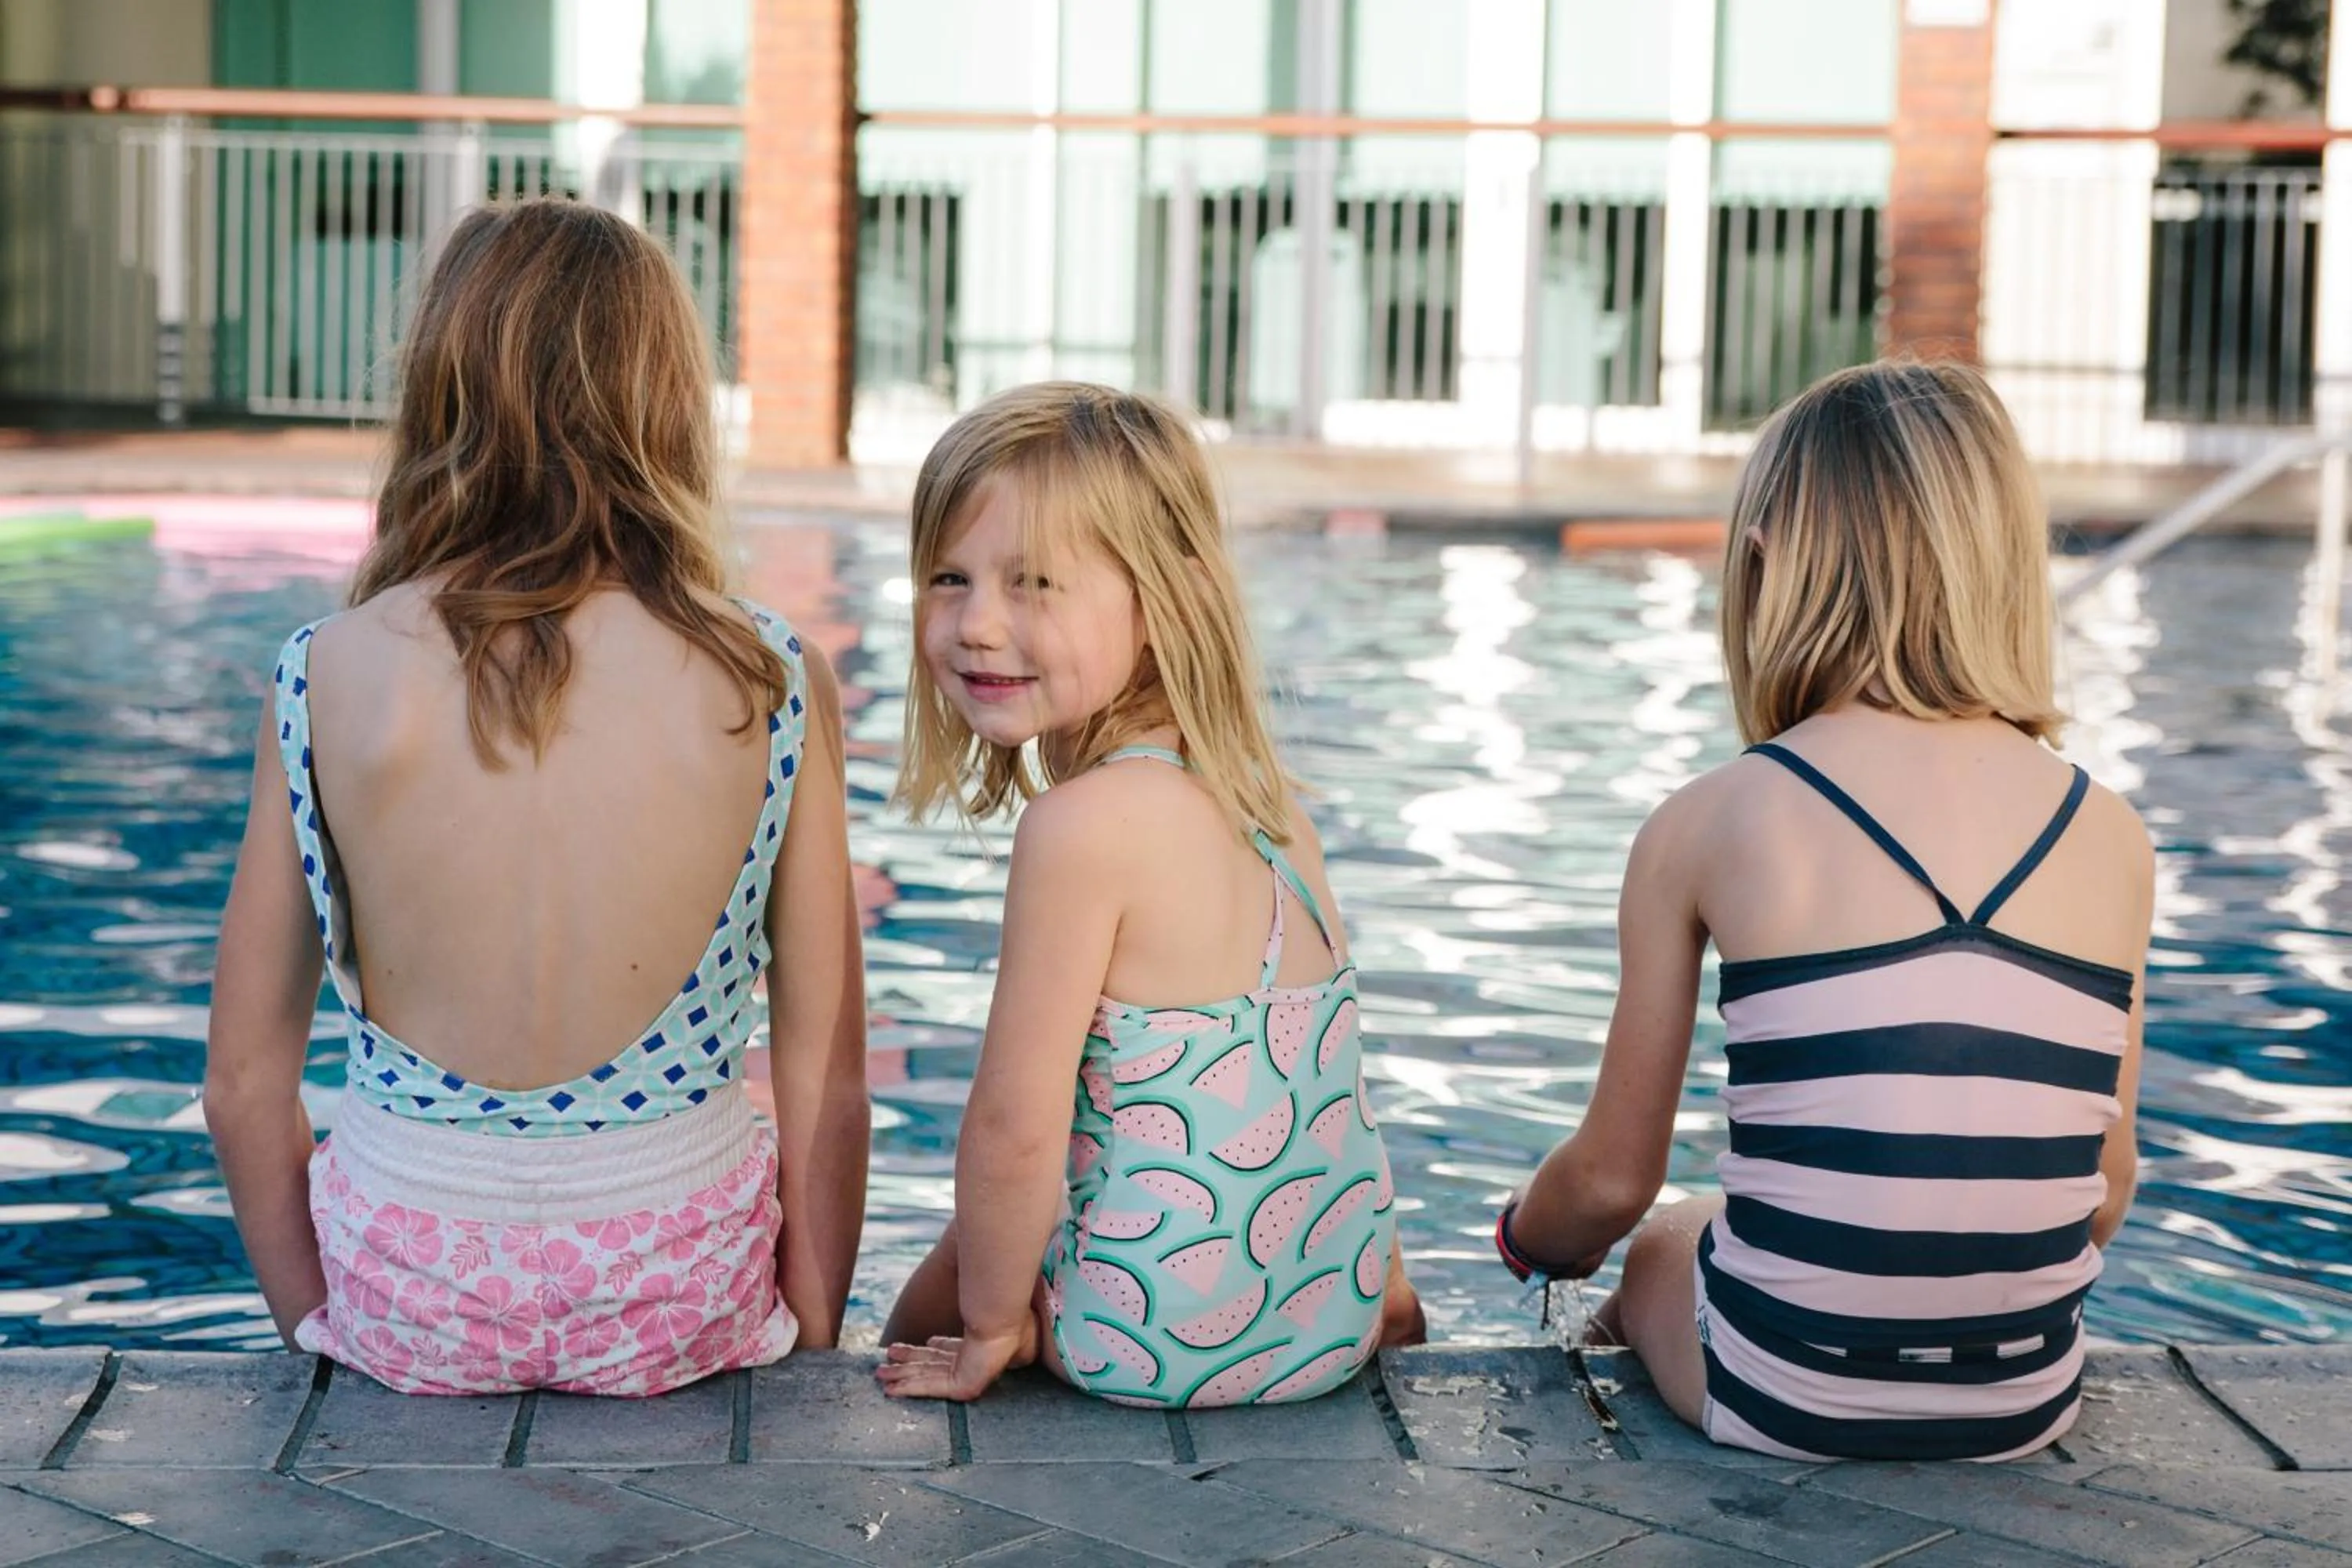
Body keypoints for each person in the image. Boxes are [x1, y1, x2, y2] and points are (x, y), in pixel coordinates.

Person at [204, 199, 869, 1396]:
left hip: (410, 1296)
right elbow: (826, 1075)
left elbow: (244, 1083)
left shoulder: (327, 671)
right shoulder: (765, 677)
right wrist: (810, 1336)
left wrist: (326, 1322)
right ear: (665, 402)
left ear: (438, 392)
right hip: (679, 1295)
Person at [1494, 361, 2153, 1461]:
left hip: (1785, 1395)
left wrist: (1528, 1240)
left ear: (1767, 562)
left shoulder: (1713, 820)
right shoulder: (2109, 833)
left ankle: (1591, 1450)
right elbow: (2102, 1191)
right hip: (2025, 1402)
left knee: (1669, 1241)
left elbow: (1611, 1180)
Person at [874, 383, 1424, 1406]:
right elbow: (1332, 1092)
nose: (978, 624)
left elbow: (1012, 1129)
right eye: (949, 577)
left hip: (1152, 1346)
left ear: (1161, 600)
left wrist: (990, 1328)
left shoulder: (1080, 830)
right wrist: (1386, 1286)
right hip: (1326, 1322)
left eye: (1034, 582)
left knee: (920, 1310)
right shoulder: (1270, 805)